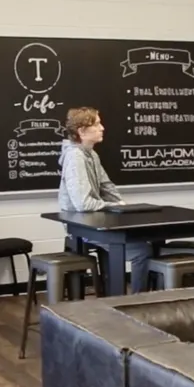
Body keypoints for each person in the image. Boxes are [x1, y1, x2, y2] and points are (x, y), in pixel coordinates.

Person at [57, 106, 152, 294]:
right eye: (97, 124)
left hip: (95, 222)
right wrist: (115, 206)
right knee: (143, 251)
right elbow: (83, 204)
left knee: (144, 243)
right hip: (82, 226)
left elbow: (106, 186)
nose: (103, 128)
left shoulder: (91, 154)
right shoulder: (75, 157)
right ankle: (137, 303)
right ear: (82, 131)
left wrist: (122, 206)